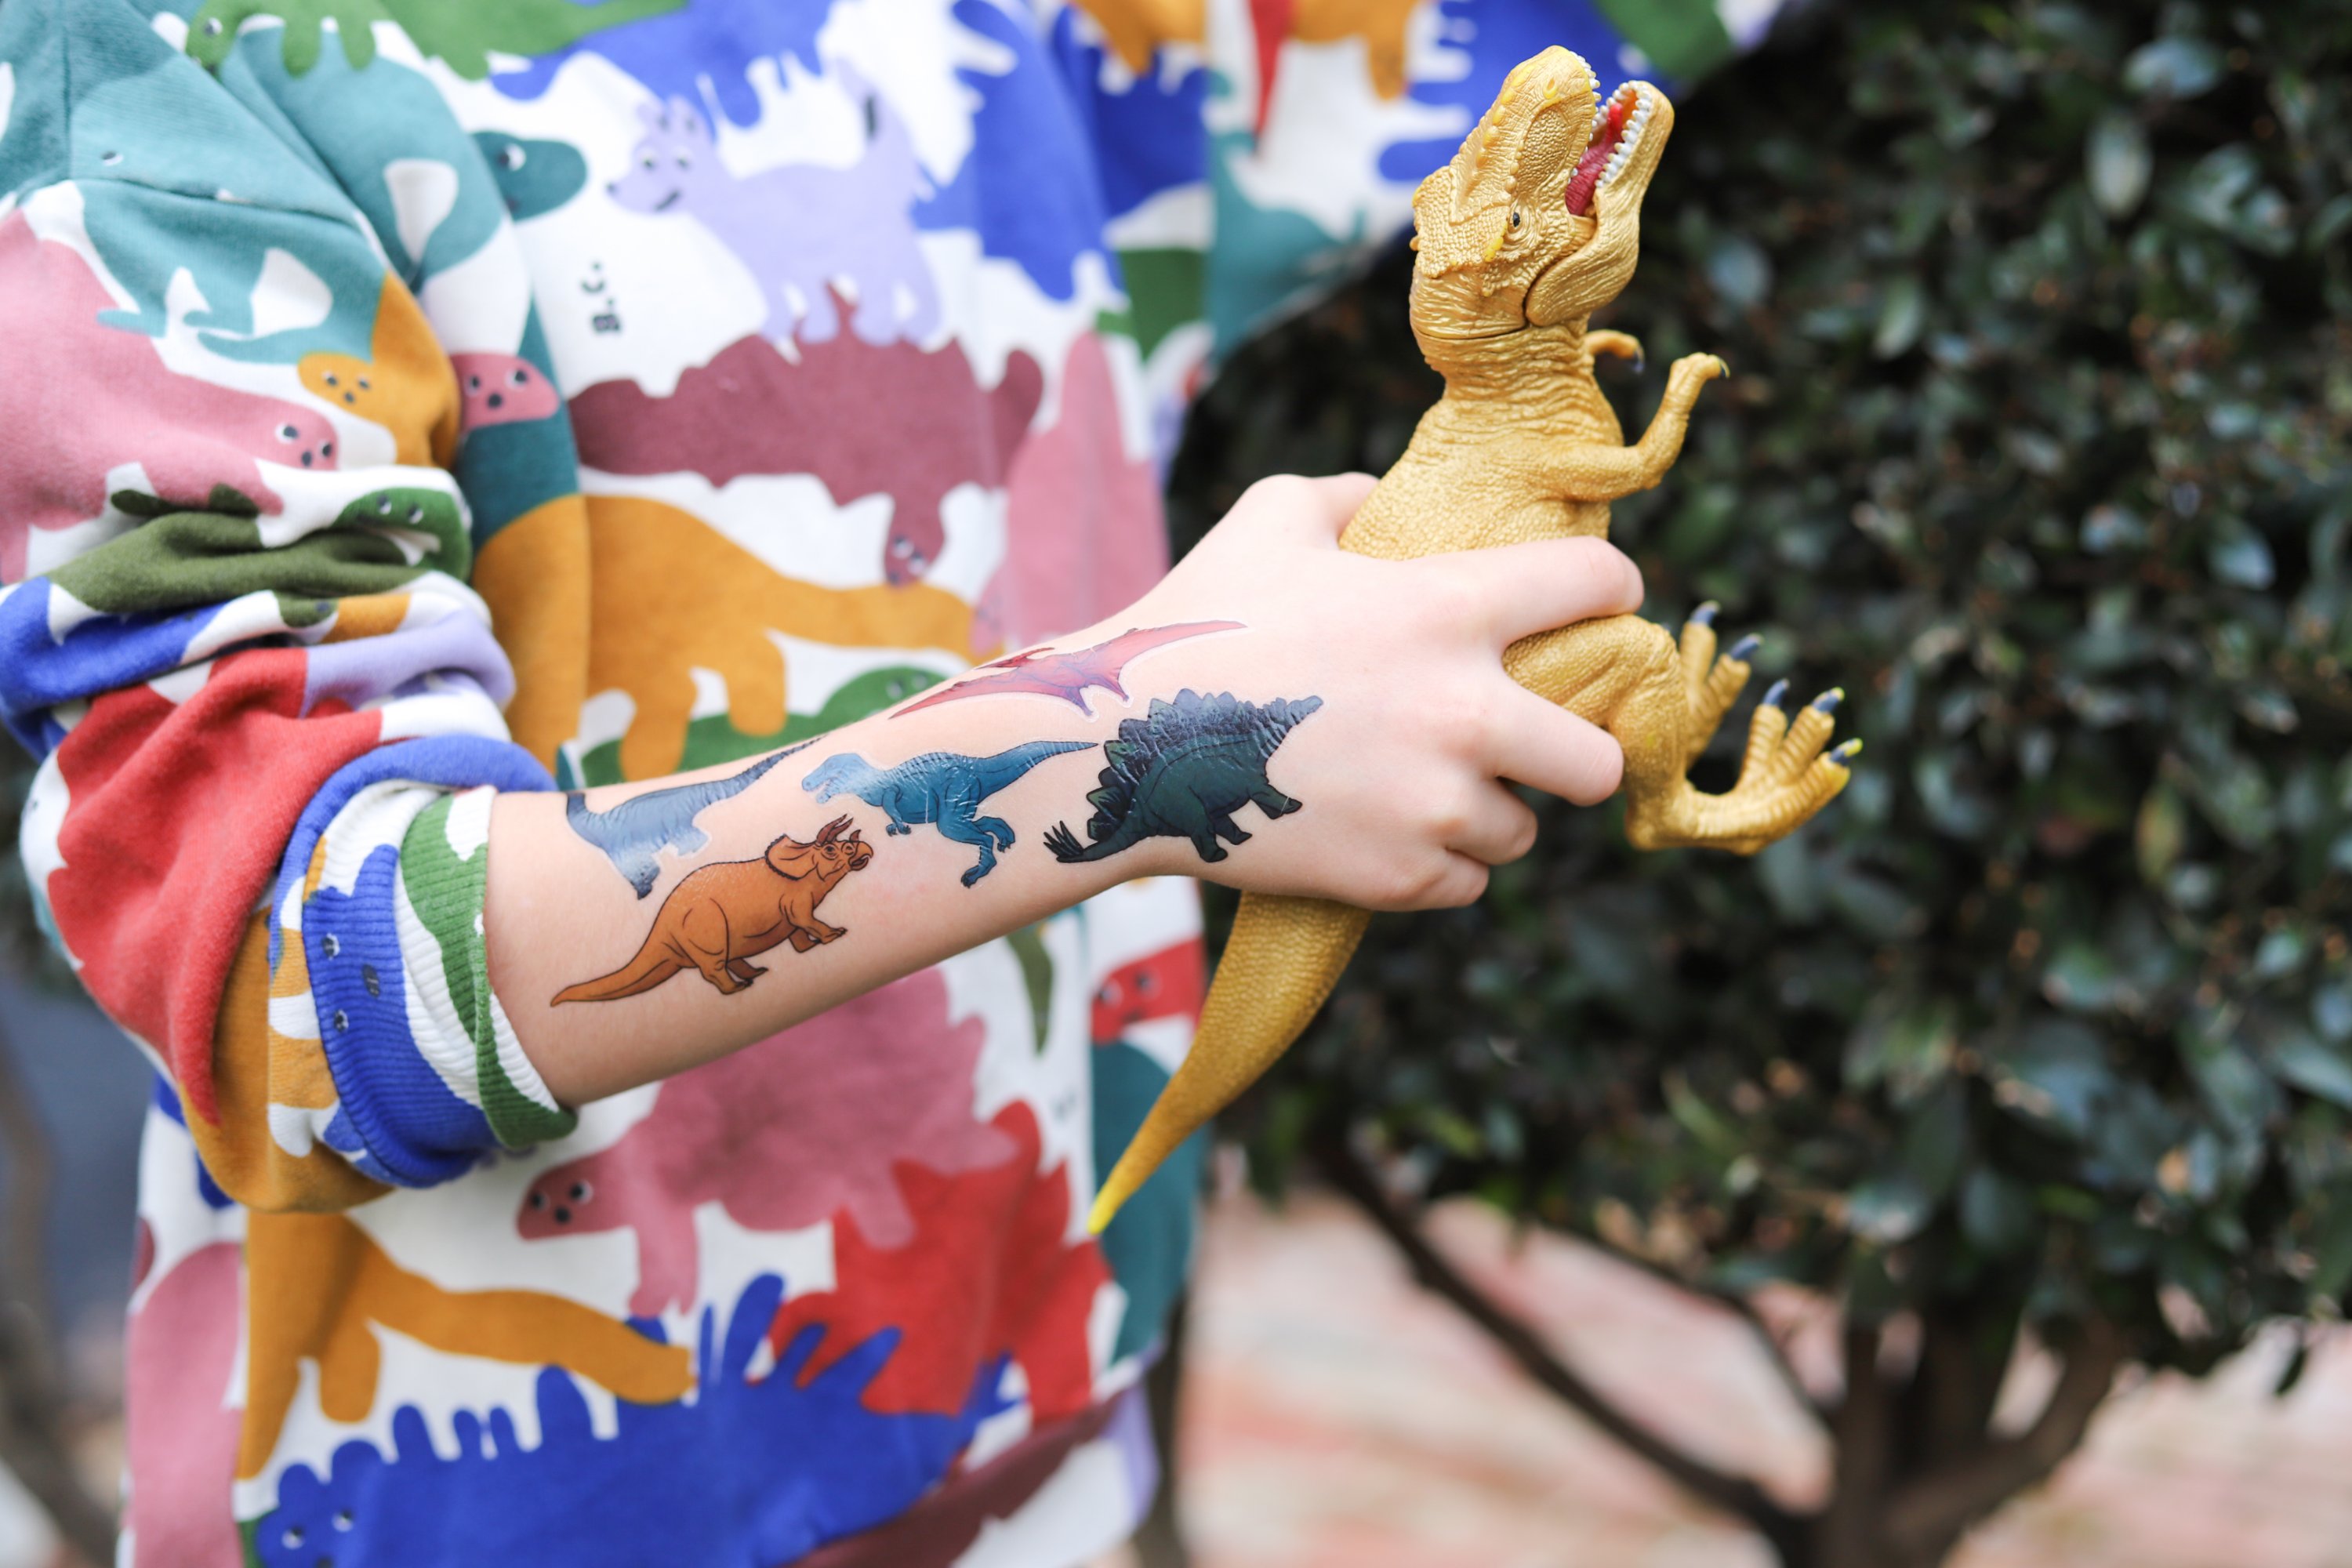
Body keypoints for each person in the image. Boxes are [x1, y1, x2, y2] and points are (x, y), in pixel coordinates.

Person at [0, 0, 1753, 1561]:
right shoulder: (166, 65)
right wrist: (1160, 737)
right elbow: (301, 978)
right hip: (490, 1506)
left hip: (1041, 1425)